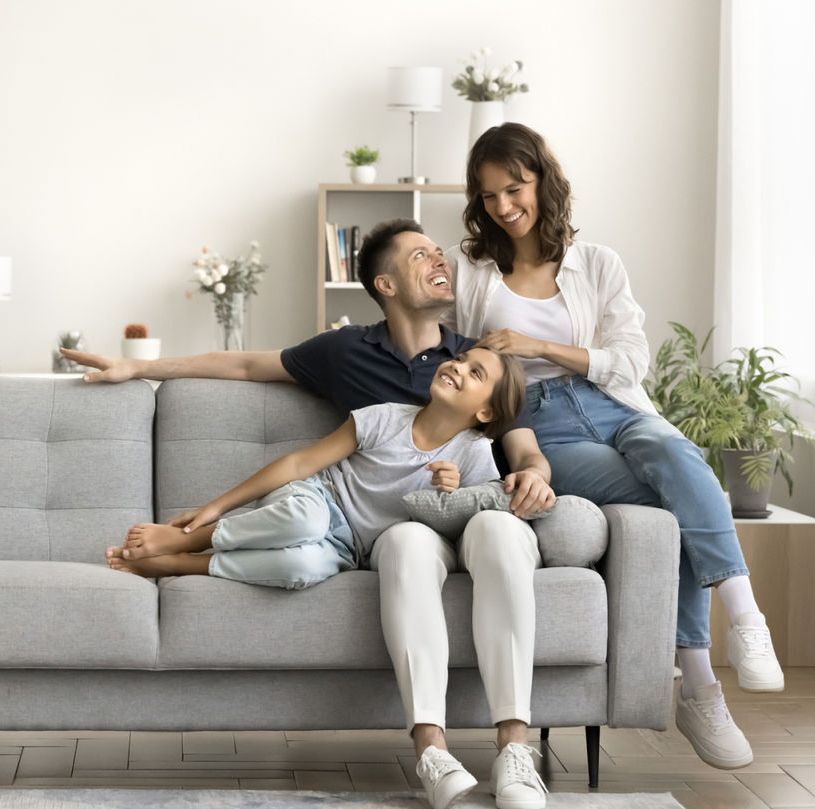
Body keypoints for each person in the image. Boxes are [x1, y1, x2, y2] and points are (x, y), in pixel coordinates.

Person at [63, 219, 554, 809]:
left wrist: (534, 475)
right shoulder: (347, 353)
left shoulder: (472, 354)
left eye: (436, 250)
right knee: (341, 534)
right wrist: (139, 367)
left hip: (440, 522)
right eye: (420, 255)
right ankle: (430, 748)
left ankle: (515, 752)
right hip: (366, 523)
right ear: (386, 284)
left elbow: (515, 437)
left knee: (368, 550)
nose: (438, 259)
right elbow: (246, 367)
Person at [446, 121, 783, 771]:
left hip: (613, 401)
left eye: (514, 188)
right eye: (488, 196)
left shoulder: (596, 262)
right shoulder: (471, 271)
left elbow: (632, 362)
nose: (504, 207)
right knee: (669, 508)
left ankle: (746, 621)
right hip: (541, 424)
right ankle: (700, 684)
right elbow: (442, 348)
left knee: (680, 461)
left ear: (544, 180)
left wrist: (542, 345)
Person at [105, 345, 522, 589]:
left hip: (350, 549)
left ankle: (180, 566)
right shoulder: (384, 418)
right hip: (316, 498)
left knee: (300, 569)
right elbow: (301, 462)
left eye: (475, 372)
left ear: (486, 411)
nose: (456, 366)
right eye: (461, 359)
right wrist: (215, 508)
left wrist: (454, 490)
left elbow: (477, 513)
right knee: (303, 520)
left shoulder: (474, 453)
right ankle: (190, 541)